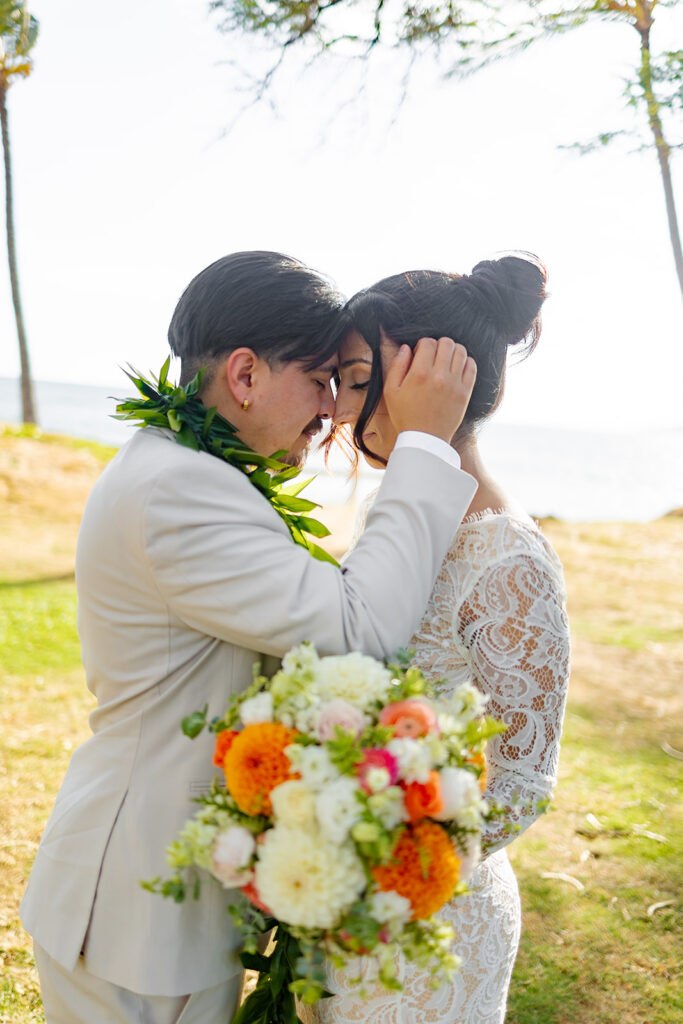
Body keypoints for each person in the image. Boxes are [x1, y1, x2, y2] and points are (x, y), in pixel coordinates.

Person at [20, 251, 479, 1024]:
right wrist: (425, 446)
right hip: (134, 908)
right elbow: (355, 628)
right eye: (323, 379)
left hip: (168, 900)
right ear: (244, 376)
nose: (334, 408)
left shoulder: (191, 472)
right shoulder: (179, 488)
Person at [303, 255, 571, 1024]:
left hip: (430, 915)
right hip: (348, 902)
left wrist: (384, 867)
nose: (335, 408)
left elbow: (522, 784)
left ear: (432, 378)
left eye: (356, 379)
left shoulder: (506, 556)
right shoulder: (401, 516)